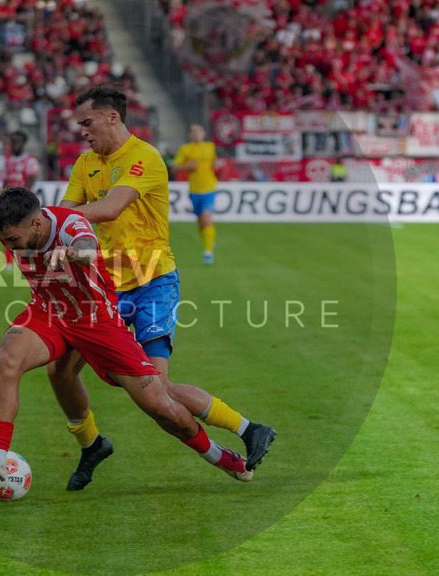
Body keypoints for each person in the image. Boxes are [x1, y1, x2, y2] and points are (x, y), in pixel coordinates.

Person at [52, 84, 276, 491]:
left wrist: (43, 219)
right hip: (106, 286)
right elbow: (67, 211)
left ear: (112, 117)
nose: (82, 131)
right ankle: (91, 444)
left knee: (159, 390)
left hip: (152, 281)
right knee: (60, 369)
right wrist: (47, 226)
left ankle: (246, 429)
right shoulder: (86, 164)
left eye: (87, 122)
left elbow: (108, 208)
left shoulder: (144, 157)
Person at [0, 186, 253, 491]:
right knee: (6, 357)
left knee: (161, 409)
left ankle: (219, 455)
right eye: (5, 241)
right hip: (48, 313)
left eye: (13, 241)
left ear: (35, 225)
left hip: (96, 320)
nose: (11, 248)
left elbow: (86, 245)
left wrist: (74, 252)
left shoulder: (71, 226)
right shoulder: (12, 218)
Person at [173, 124, 222, 264]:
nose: (196, 134)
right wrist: (188, 166)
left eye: (199, 131)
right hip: (194, 191)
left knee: (206, 220)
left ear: (204, 133)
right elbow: (175, 168)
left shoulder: (210, 147)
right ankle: (209, 242)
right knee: (201, 223)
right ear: (190, 135)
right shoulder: (186, 149)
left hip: (210, 189)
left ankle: (208, 252)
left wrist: (217, 165)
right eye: (193, 132)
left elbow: (215, 163)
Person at [2, 130, 41, 270]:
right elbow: (5, 182)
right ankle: (8, 262)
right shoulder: (8, 161)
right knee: (7, 231)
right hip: (9, 202)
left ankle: (32, 260)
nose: (14, 145)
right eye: (12, 142)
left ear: (23, 143)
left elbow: (31, 180)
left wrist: (23, 199)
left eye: (17, 142)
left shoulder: (30, 161)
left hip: (24, 203)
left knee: (27, 232)